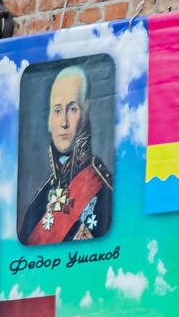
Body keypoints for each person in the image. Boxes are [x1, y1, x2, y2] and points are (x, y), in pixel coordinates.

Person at [18, 63, 113, 243]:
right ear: (49, 119)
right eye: (57, 110)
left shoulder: (105, 191)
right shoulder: (36, 204)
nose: (63, 122)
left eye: (72, 109)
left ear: (86, 112)